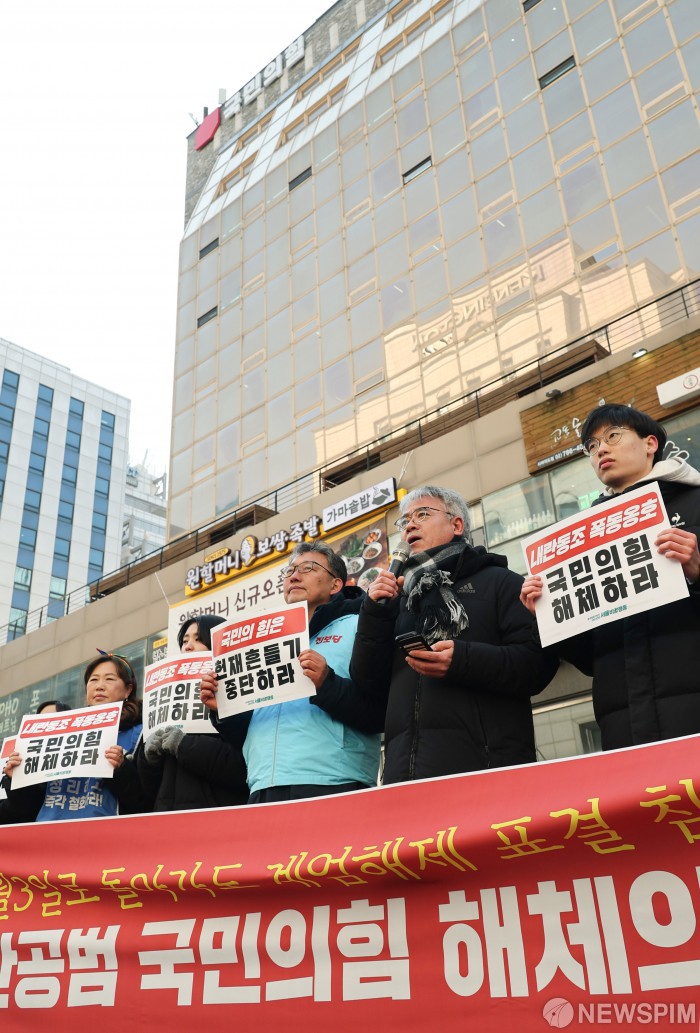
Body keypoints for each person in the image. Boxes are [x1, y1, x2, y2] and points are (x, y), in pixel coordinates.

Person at [350, 485, 559, 783]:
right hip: (405, 778)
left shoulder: (502, 583)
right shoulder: (398, 600)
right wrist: (374, 613)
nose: (410, 524)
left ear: (457, 524)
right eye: (405, 520)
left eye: (422, 514)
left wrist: (463, 660)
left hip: (486, 772)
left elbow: (537, 666)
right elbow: (367, 683)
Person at [520, 403, 700, 750]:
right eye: (591, 446)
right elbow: (590, 659)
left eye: (613, 436)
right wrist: (548, 614)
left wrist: (698, 569)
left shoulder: (695, 501)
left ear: (650, 443)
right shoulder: (578, 539)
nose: (600, 449)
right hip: (622, 725)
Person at [200, 541, 383, 803]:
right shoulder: (262, 640)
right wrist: (224, 710)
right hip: (262, 784)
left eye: (308, 568)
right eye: (289, 571)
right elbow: (245, 733)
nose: (294, 576)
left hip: (334, 781)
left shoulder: (361, 625)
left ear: (336, 584)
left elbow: (379, 711)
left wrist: (326, 683)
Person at [1, 653, 146, 822]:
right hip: (49, 838)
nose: (99, 686)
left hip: (108, 839)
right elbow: (27, 808)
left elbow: (145, 801)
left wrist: (122, 769)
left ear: (128, 689)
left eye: (109, 679)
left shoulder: (140, 733)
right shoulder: (60, 730)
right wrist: (16, 778)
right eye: (93, 680)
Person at [136, 615, 248, 811]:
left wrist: (184, 745)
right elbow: (148, 790)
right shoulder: (165, 699)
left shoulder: (239, 695)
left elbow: (242, 768)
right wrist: (148, 760)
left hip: (219, 818)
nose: (188, 646)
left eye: (198, 639)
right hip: (168, 821)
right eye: (185, 641)